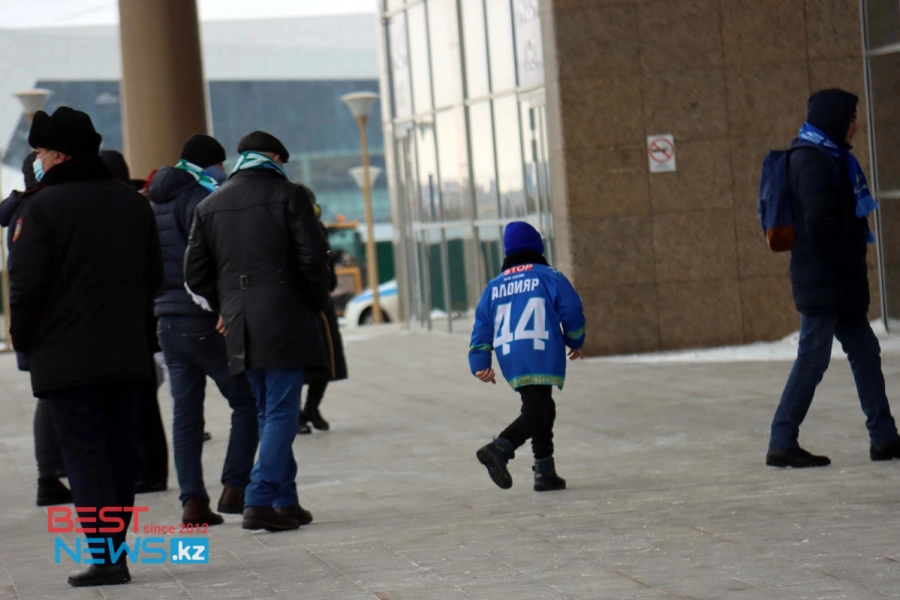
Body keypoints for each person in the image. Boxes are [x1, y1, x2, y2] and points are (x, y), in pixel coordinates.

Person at [10, 106, 162, 586]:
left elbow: (25, 287)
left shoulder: (40, 208)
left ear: (56, 155)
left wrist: (27, 343)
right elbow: (154, 276)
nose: (36, 160)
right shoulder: (132, 202)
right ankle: (116, 551)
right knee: (119, 452)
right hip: (126, 350)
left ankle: (106, 558)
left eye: (39, 152)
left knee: (84, 455)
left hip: (66, 356)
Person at [185, 131, 331, 532]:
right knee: (282, 409)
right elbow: (313, 257)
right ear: (272, 158)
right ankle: (260, 497)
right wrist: (314, 299)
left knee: (268, 409)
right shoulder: (291, 195)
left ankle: (286, 499)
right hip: (285, 313)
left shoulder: (210, 203)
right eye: (281, 160)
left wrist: (226, 303)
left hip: (238, 318)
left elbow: (194, 274)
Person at [767, 89, 900, 468]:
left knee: (865, 352)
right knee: (813, 359)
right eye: (852, 117)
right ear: (835, 120)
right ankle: (781, 440)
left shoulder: (831, 156)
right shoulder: (812, 160)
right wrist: (848, 256)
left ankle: (884, 437)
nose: (856, 125)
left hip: (836, 282)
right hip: (824, 281)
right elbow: (822, 225)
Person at [150, 133, 258, 525]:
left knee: (185, 414)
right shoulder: (200, 198)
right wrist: (220, 307)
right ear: (210, 164)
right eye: (220, 164)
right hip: (202, 318)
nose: (223, 171)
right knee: (247, 401)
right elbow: (212, 259)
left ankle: (193, 502)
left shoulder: (154, 200)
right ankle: (236, 486)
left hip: (167, 321)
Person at [468, 221, 585, 491]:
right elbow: (572, 308)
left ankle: (545, 470)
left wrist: (480, 363)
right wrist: (575, 338)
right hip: (540, 348)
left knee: (541, 406)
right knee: (539, 408)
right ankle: (501, 448)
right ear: (537, 246)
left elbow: (482, 326)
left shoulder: (494, 286)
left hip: (510, 354)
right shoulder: (549, 276)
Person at [0, 151, 70, 506]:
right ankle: (49, 474)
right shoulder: (36, 210)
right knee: (51, 398)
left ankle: (51, 473)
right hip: (44, 325)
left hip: (34, 324)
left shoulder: (22, 209)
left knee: (49, 397)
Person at [100, 149, 170, 493]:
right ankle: (152, 468)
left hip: (130, 321)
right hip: (143, 318)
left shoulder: (116, 208)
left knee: (137, 404)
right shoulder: (136, 206)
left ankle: (150, 470)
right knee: (143, 403)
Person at [298, 201, 348, 435]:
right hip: (294, 303)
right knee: (294, 364)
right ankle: (296, 415)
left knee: (326, 359)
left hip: (320, 302)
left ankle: (311, 408)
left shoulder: (316, 228)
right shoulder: (280, 229)